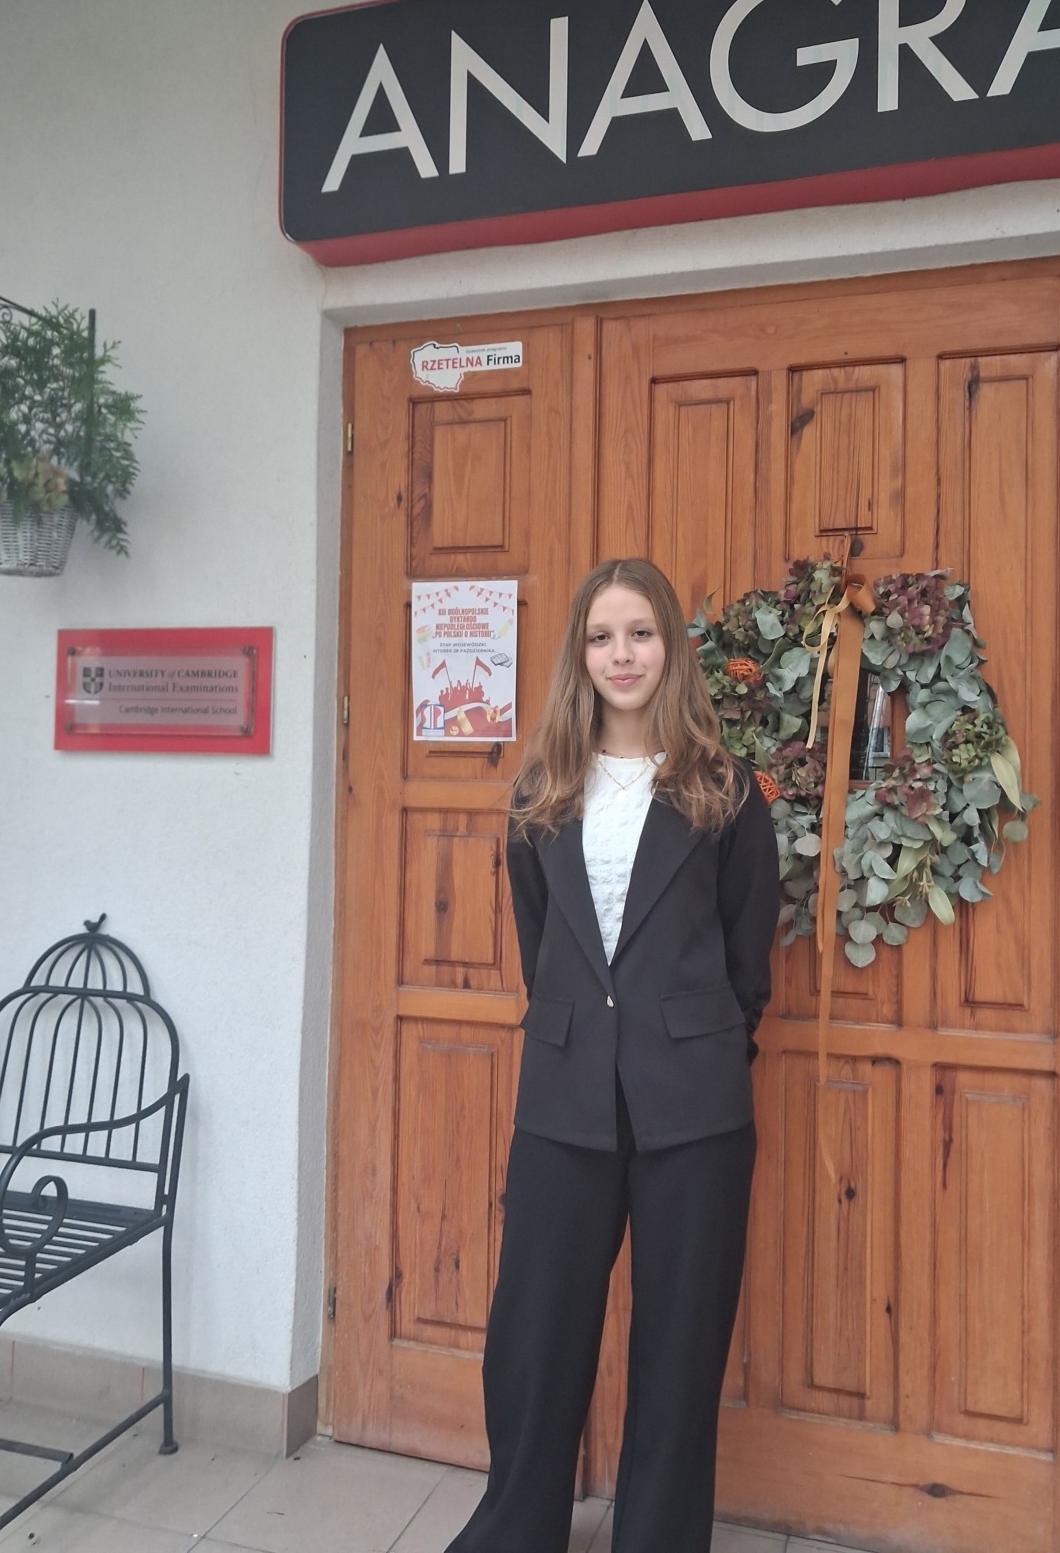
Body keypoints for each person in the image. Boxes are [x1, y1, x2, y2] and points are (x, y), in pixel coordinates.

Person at [444, 558, 780, 1553]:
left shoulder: (726, 790)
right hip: (565, 1094)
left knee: (680, 1348)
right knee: (534, 1335)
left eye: (639, 633)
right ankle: (515, 1532)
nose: (621, 655)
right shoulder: (541, 787)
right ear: (579, 655)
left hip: (694, 1108)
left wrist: (697, 1048)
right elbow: (542, 943)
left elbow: (746, 957)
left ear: (669, 645)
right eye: (601, 637)